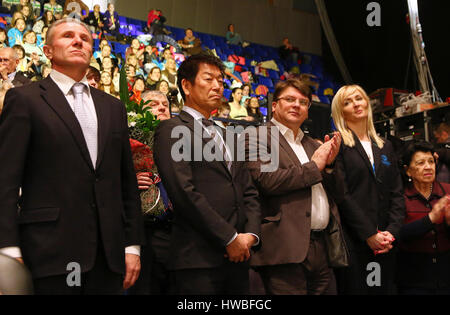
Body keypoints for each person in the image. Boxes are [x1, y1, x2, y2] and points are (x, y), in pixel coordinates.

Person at [0, 17, 145, 294]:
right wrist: (6, 246)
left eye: (85, 38)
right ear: (48, 51)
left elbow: (125, 181)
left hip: (109, 255)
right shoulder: (26, 100)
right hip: (50, 250)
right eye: (68, 35)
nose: (78, 40)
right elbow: (5, 179)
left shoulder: (113, 107)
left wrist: (132, 244)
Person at [153, 52, 261, 294]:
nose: (217, 86)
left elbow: (248, 190)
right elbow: (184, 192)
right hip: (197, 259)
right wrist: (229, 238)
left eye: (221, 81)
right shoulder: (172, 128)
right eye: (209, 79)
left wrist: (250, 235)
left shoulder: (229, 135)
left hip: (239, 258)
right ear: (186, 85)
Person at [244, 78, 346, 295]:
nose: (296, 105)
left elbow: (339, 194)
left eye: (303, 102)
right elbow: (267, 181)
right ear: (274, 105)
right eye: (289, 99)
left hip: (322, 246)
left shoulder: (312, 144)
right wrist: (315, 166)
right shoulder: (256, 137)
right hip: (285, 247)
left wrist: (329, 167)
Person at [331, 85, 405, 295]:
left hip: (386, 242)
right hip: (356, 242)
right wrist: (369, 234)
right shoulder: (338, 145)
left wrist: (392, 232)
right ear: (340, 111)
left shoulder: (385, 146)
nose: (355, 104)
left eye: (359, 98)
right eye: (348, 102)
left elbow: (397, 192)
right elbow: (342, 194)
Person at [128, 90, 173, 295]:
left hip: (179, 233)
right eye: (154, 104)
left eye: (165, 103)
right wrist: (128, 179)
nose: (162, 107)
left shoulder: (184, 141)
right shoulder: (127, 140)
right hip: (144, 231)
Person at [396, 141, 450, 294]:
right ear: (408, 171)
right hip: (414, 279)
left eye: (431, 161)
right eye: (420, 163)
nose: (428, 167)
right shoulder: (400, 197)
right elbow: (398, 235)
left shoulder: (447, 191)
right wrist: (430, 219)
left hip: (446, 277)